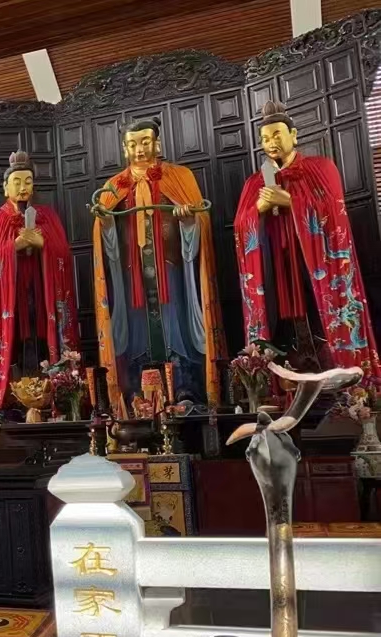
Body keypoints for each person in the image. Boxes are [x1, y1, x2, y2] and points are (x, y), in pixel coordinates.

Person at [90, 119, 225, 413]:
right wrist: (107, 223)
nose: (139, 149)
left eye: (145, 142)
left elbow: (199, 222)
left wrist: (188, 221)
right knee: (136, 333)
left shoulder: (179, 177)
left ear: (157, 143)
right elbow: (106, 239)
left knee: (178, 324)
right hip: (132, 276)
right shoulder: (113, 187)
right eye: (133, 144)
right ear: (124, 149)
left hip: (173, 268)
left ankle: (186, 388)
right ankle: (137, 394)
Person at [233, 100, 378, 372]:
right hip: (276, 266)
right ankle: (288, 379)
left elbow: (334, 213)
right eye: (265, 138)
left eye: (277, 135)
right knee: (284, 329)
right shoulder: (254, 183)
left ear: (293, 135)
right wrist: (259, 209)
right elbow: (241, 227)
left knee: (321, 319)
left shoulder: (321, 168)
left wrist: (289, 201)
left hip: (315, 263)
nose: (271, 143)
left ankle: (341, 378)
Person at [0, 151, 78, 411]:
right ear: (5, 187)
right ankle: (10, 401)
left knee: (41, 339)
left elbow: (64, 254)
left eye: (28, 182)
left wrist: (43, 243)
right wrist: (16, 245)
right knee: (17, 342)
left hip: (41, 292)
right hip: (10, 296)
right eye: (17, 182)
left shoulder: (48, 216)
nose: (23, 188)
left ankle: (55, 397)